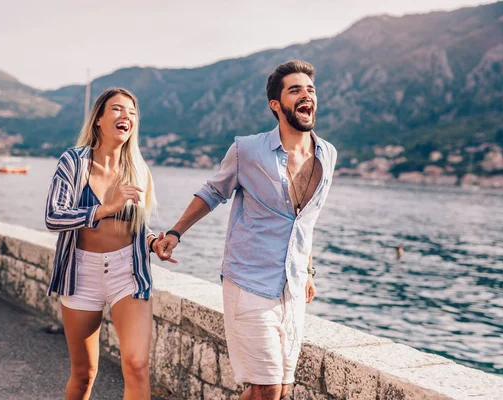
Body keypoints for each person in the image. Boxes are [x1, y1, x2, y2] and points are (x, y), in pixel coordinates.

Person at [158, 60, 338, 400]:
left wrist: (308, 269)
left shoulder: (327, 154)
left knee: (278, 389)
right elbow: (212, 193)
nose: (306, 95)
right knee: (267, 388)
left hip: (293, 286)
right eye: (295, 89)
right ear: (276, 104)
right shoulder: (248, 149)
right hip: (249, 280)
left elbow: (306, 221)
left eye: (311, 90)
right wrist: (175, 232)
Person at [45, 88, 167, 400]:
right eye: (117, 109)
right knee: (84, 374)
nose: (126, 116)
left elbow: (138, 224)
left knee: (137, 365)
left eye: (132, 112)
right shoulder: (73, 162)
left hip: (128, 272)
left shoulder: (138, 167)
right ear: (99, 118)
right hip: (81, 274)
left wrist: (153, 241)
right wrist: (105, 208)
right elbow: (53, 217)